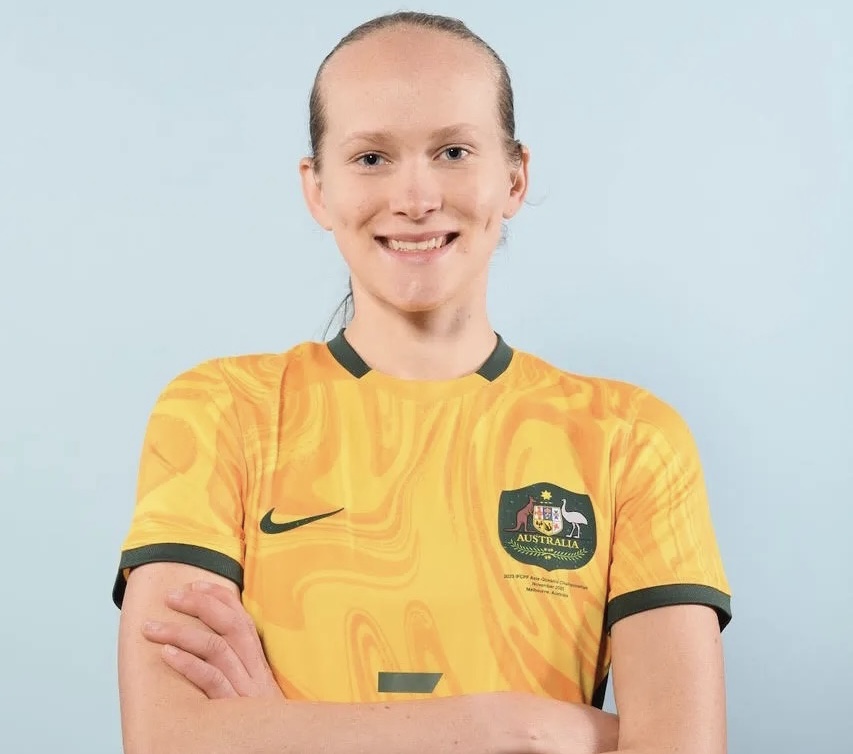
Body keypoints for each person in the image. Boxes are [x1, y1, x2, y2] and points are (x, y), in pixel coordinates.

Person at [112, 11, 732, 754]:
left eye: (453, 151)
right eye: (371, 157)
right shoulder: (219, 413)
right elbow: (168, 737)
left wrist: (276, 730)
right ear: (317, 189)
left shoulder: (631, 439)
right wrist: (523, 726)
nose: (415, 198)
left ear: (514, 177)